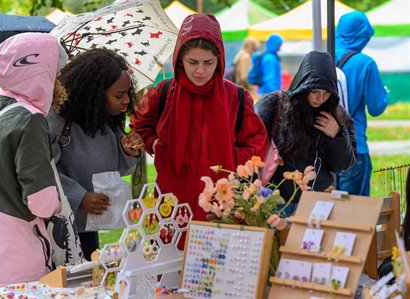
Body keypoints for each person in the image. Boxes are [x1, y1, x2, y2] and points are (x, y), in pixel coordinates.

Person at [130, 13, 269, 222]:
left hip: (221, 202)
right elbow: (139, 125)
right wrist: (154, 143)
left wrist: (231, 160)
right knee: (171, 252)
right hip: (171, 203)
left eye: (209, 62)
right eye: (192, 62)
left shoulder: (236, 97)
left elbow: (258, 143)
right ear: (179, 59)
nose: (201, 70)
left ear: (220, 61)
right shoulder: (164, 92)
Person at [0, 32, 65, 290]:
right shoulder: (31, 120)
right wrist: (57, 204)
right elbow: (41, 202)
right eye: (55, 69)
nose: (60, 76)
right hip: (15, 263)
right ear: (38, 72)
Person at [48, 48, 144, 261]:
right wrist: (79, 197)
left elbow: (120, 169)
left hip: (89, 225)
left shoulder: (109, 119)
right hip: (60, 226)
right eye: (119, 95)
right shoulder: (58, 119)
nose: (127, 100)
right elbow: (44, 168)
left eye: (128, 93)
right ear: (94, 93)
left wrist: (129, 153)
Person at [255, 51, 357, 215]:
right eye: (315, 91)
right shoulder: (275, 104)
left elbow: (342, 165)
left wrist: (337, 135)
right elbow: (250, 144)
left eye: (326, 93)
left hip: (318, 204)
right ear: (304, 86)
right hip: (276, 201)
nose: (320, 98)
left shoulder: (337, 115)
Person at [335, 11, 389, 196]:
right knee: (356, 215)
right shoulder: (365, 63)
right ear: (363, 35)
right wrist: (385, 95)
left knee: (327, 212)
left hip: (324, 148)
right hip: (354, 146)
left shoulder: (322, 55)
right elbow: (376, 107)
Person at [248, 33, 283, 98]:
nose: (280, 47)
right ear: (274, 44)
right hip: (268, 93)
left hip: (268, 92)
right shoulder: (270, 58)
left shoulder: (272, 57)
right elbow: (269, 78)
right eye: (279, 44)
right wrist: (276, 94)